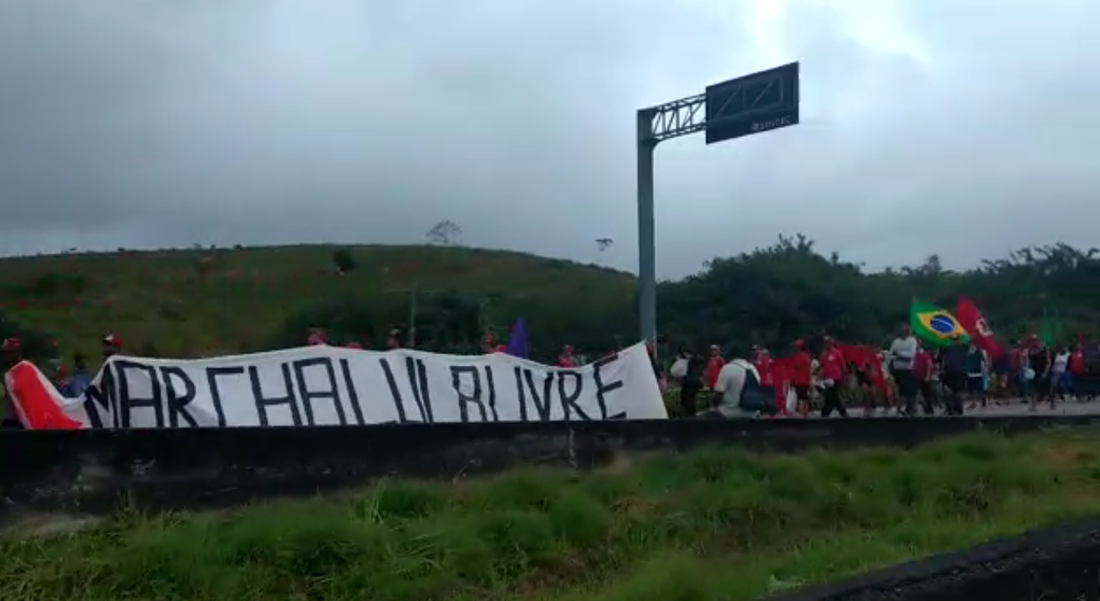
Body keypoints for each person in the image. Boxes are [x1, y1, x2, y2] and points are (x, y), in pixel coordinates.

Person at [707, 358, 774, 419]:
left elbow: (718, 395)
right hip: (753, 413)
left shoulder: (727, 368)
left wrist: (713, 405)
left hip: (729, 412)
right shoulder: (753, 368)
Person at [887, 324, 919, 416]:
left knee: (910, 392)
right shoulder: (896, 341)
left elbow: (911, 355)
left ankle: (911, 410)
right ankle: (899, 411)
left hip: (908, 369)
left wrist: (898, 355)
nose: (903, 332)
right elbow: (890, 355)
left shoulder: (912, 341)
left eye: (905, 331)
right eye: (902, 331)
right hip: (898, 370)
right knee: (901, 392)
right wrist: (900, 357)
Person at [818, 337, 848, 417]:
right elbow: (821, 367)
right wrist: (820, 378)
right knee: (832, 396)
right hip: (827, 379)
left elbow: (843, 366)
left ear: (831, 343)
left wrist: (844, 377)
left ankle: (826, 412)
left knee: (832, 395)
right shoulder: (823, 354)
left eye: (828, 342)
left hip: (836, 378)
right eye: (825, 342)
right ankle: (841, 411)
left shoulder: (837, 353)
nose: (826, 344)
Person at [939, 334, 968, 416]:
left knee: (951, 391)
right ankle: (958, 408)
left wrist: (941, 340)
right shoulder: (963, 347)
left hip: (950, 371)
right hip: (959, 371)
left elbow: (940, 356)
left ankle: (952, 408)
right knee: (958, 391)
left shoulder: (947, 348)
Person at [789, 339, 813, 417]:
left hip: (799, 381)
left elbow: (794, 370)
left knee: (801, 399)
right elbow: (809, 369)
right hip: (806, 381)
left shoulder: (797, 357)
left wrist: (792, 381)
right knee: (804, 398)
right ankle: (805, 415)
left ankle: (801, 415)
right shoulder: (807, 356)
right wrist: (810, 380)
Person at [912, 342, 937, 415]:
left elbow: (929, 365)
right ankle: (917, 408)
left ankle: (929, 409)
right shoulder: (914, 355)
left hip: (924, 377)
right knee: (915, 394)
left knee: (926, 394)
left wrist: (927, 376)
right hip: (915, 377)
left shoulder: (924, 354)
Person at [965, 342, 988, 410]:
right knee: (972, 389)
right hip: (970, 373)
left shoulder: (979, 352)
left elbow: (984, 361)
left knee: (979, 388)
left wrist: (985, 370)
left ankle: (982, 399)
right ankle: (974, 402)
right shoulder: (968, 352)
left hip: (978, 372)